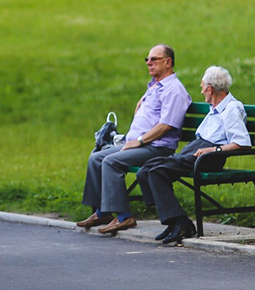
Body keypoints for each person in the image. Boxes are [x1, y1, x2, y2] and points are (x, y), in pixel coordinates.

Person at [77, 44, 191, 234]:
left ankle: (124, 217)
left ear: (168, 62)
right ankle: (103, 211)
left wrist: (140, 141)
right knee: (96, 157)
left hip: (156, 147)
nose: (149, 63)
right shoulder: (156, 86)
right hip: (140, 144)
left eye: (154, 59)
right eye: (147, 59)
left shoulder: (174, 90)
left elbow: (167, 125)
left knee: (111, 162)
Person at [136, 66, 251, 245]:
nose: (201, 90)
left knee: (158, 171)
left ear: (210, 89)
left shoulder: (231, 108)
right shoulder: (215, 107)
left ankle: (181, 223)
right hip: (197, 150)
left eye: (202, 86)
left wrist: (213, 150)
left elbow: (242, 142)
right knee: (146, 170)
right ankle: (173, 220)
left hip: (209, 156)